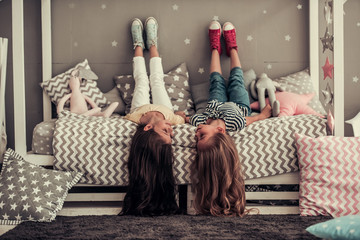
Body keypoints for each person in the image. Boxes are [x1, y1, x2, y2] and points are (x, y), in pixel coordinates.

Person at [189, 21, 272, 217]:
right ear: (220, 132)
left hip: (215, 103)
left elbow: (188, 119)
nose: (196, 134)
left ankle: (216, 49)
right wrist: (261, 115)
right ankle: (233, 48)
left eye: (196, 138)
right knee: (236, 79)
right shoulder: (234, 123)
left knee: (216, 79)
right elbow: (248, 120)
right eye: (201, 137)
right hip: (239, 104)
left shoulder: (202, 121)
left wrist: (182, 117)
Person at [120, 17, 185, 216]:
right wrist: (181, 116)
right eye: (171, 134)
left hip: (141, 107)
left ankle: (138, 45)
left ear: (148, 128)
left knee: (141, 80)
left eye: (165, 131)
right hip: (164, 107)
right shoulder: (170, 119)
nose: (171, 129)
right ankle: (153, 44)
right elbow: (181, 118)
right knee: (157, 80)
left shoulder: (135, 119)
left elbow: (122, 119)